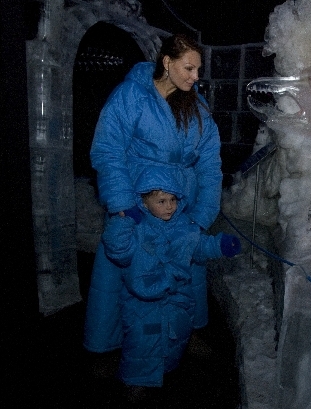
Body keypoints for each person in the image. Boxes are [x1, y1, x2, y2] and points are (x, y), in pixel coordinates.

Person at [84, 33, 225, 363]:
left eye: (197, 70)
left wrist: (203, 213)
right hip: (137, 200)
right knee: (126, 270)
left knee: (183, 269)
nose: (195, 77)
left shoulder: (198, 108)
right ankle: (112, 346)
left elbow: (211, 164)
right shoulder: (131, 96)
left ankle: (182, 336)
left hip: (182, 204)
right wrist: (121, 206)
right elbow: (108, 150)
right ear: (167, 62)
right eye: (189, 68)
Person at [101, 166, 240, 390]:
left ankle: (166, 370)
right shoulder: (136, 229)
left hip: (176, 298)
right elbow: (117, 249)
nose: (170, 206)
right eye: (162, 201)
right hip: (142, 305)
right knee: (141, 343)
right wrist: (123, 220)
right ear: (144, 202)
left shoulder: (183, 227)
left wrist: (219, 245)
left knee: (175, 336)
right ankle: (135, 381)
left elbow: (198, 245)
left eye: (173, 199)